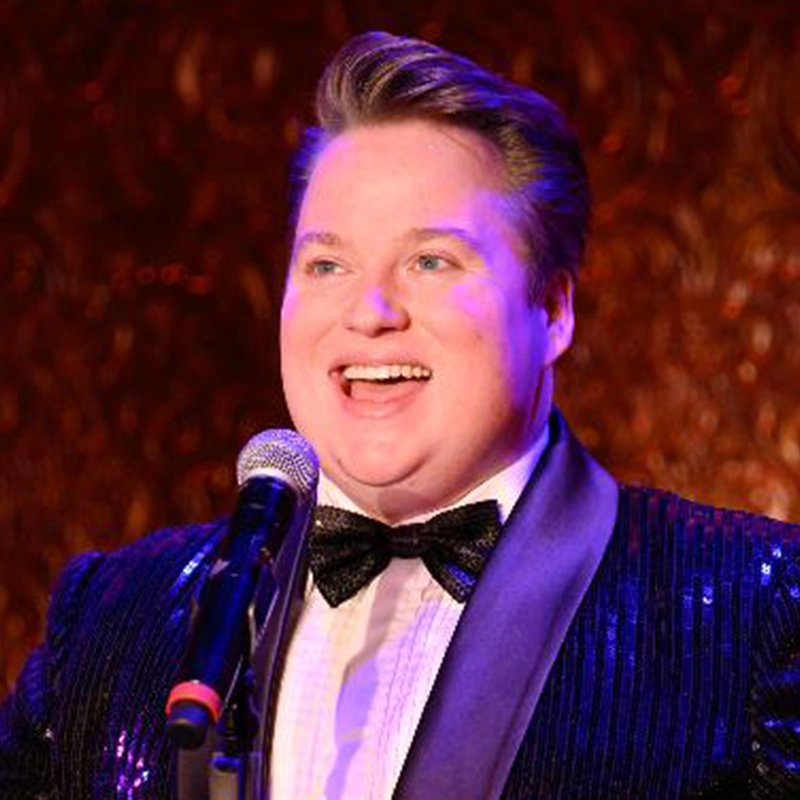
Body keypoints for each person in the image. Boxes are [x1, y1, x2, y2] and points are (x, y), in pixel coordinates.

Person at [2, 30, 800, 800]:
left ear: (554, 309)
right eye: (327, 264)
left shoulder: (757, 610)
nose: (370, 312)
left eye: (429, 261)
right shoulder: (110, 615)